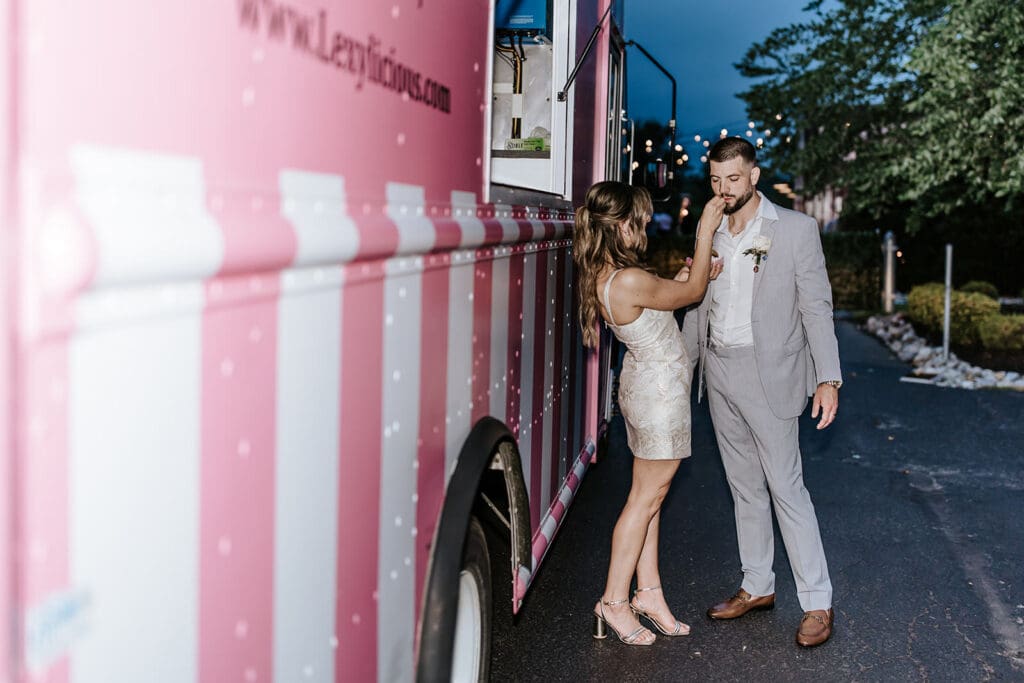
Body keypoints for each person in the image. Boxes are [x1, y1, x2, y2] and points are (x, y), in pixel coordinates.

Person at [681, 137, 841, 647]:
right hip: (720, 370)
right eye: (714, 180)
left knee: (786, 489)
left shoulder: (795, 229)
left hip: (770, 372)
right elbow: (695, 299)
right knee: (743, 487)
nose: (723, 189)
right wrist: (683, 368)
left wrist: (828, 377)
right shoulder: (709, 229)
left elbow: (816, 307)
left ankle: (817, 602)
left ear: (753, 175)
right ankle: (757, 585)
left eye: (732, 179)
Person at [573, 181, 724, 646]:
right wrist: (704, 234)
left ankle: (649, 593)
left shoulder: (610, 275)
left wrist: (685, 280)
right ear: (620, 226)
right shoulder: (630, 279)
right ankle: (614, 601)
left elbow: (668, 299)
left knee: (650, 498)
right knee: (643, 501)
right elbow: (694, 291)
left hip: (643, 389)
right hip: (658, 397)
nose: (642, 228)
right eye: (637, 221)